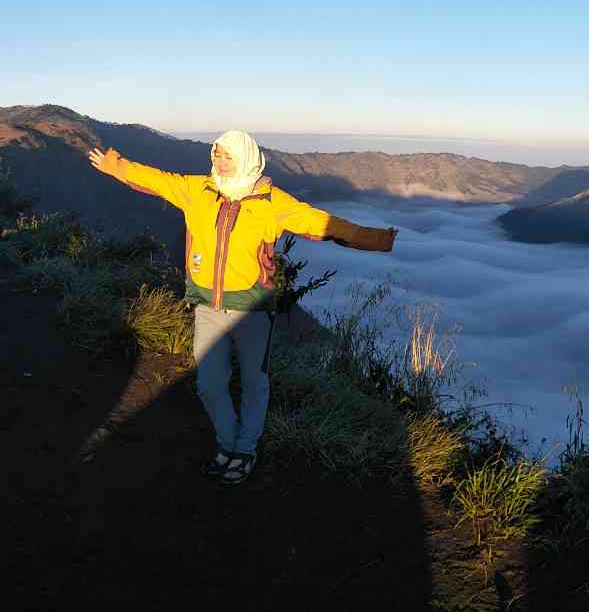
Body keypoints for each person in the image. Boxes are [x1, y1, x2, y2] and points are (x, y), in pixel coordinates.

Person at [87, 130, 396, 485]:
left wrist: (377, 239)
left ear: (246, 158)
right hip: (207, 308)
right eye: (216, 153)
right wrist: (115, 166)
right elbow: (156, 180)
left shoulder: (271, 202)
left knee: (254, 382)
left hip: (251, 310)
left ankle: (244, 449)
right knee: (209, 384)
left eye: (227, 156)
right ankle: (229, 442)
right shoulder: (197, 190)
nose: (219, 160)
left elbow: (321, 223)